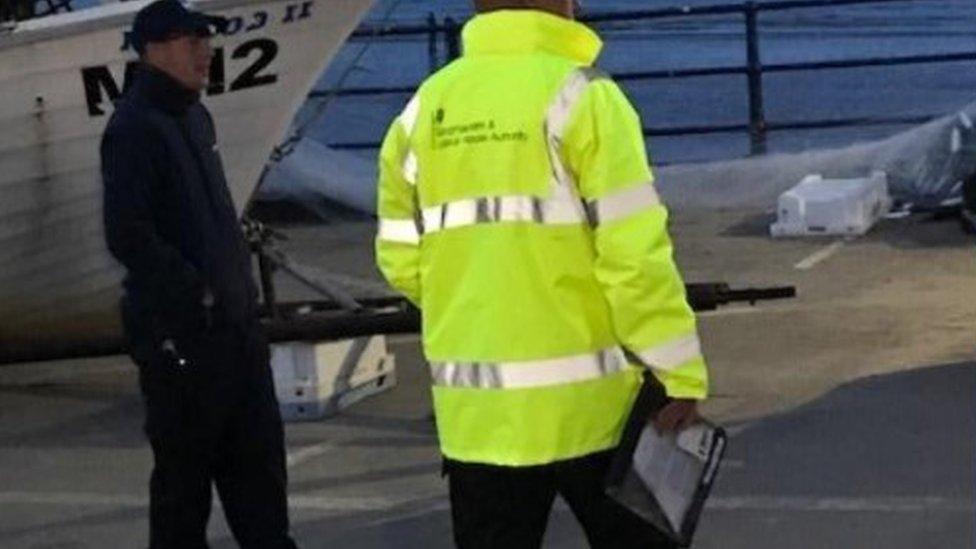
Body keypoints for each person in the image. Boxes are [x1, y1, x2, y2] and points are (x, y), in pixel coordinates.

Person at [374, 0, 710, 547]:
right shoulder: (584, 97)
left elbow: (399, 258)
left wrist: (480, 305)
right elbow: (635, 260)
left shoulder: (423, 109)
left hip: (477, 419)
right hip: (598, 409)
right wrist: (679, 372)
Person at [101, 1, 298, 547]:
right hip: (186, 343)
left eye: (205, 42)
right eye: (193, 42)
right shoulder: (135, 129)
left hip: (235, 336)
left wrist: (238, 294)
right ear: (154, 50)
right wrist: (199, 292)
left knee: (260, 480)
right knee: (183, 494)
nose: (205, 53)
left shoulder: (194, 116)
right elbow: (127, 233)